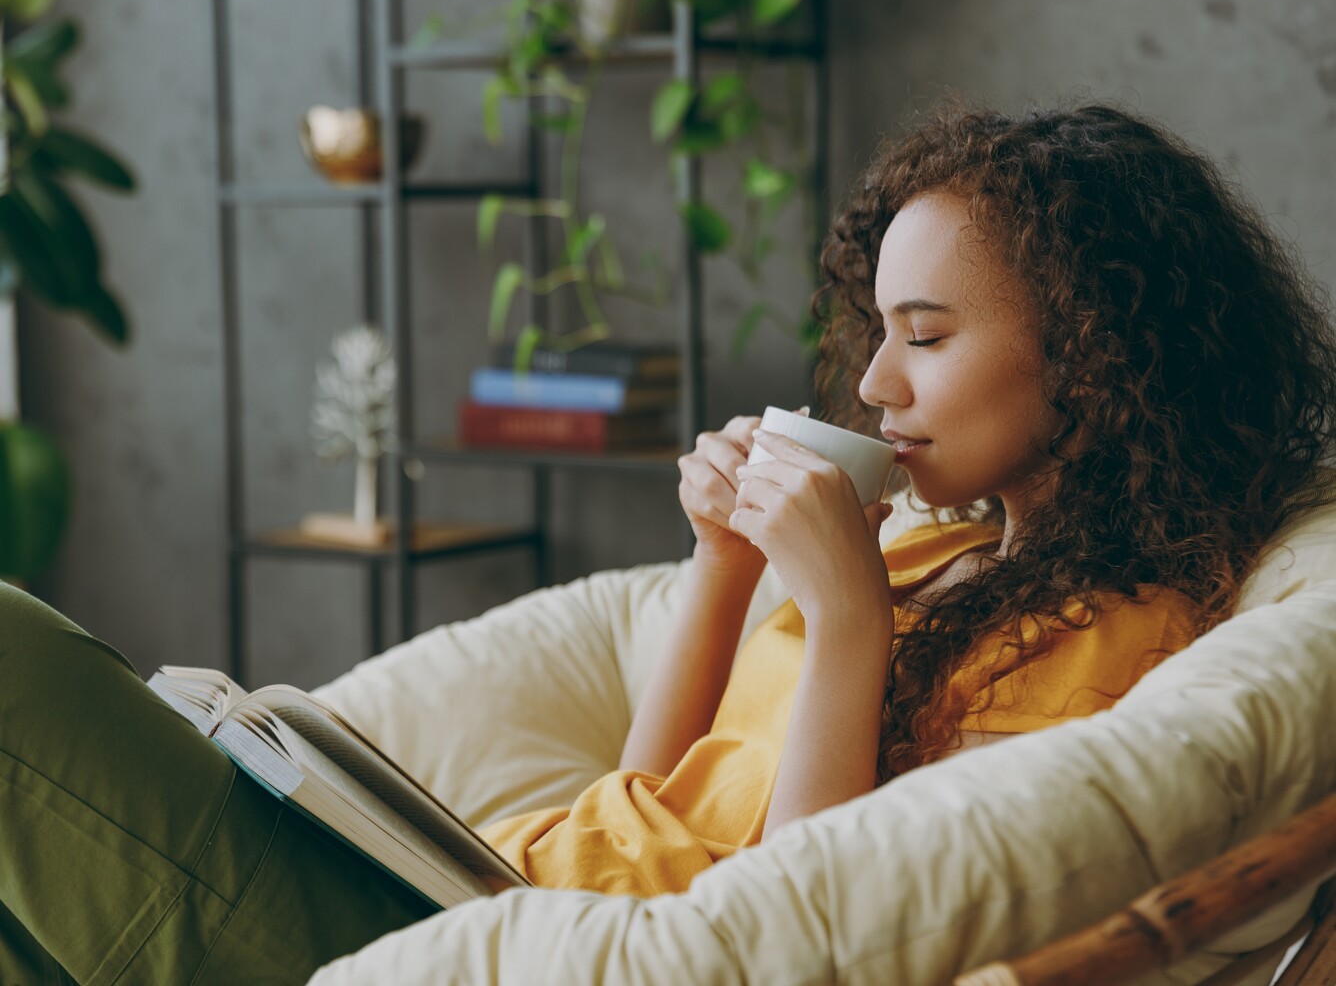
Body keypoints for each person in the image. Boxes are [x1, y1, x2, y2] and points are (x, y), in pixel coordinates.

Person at [3, 100, 1334, 982]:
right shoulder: (942, 553)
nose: (874, 385)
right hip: (486, 896)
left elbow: (836, 923)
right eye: (877, 333)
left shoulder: (1111, 635)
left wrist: (848, 616)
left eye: (923, 337)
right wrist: (725, 570)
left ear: (1098, 353)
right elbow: (649, 797)